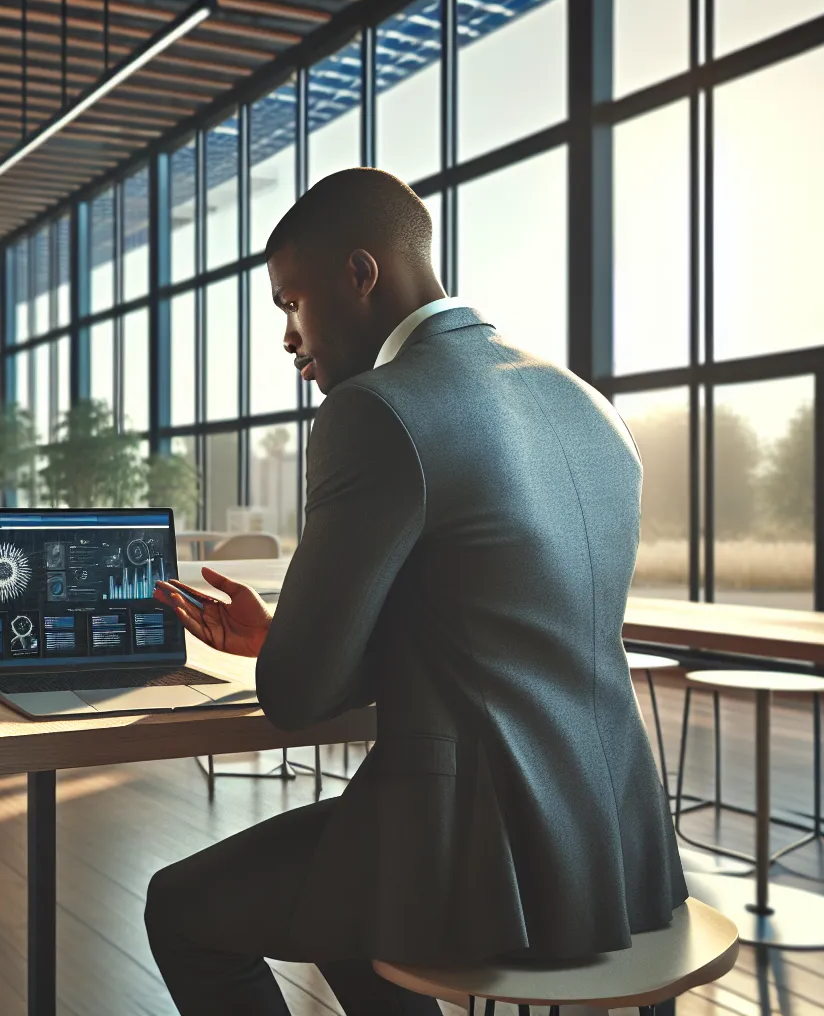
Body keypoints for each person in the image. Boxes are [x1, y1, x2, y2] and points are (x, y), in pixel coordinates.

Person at [147, 167, 685, 1015]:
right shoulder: (588, 404)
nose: (288, 336)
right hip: (621, 842)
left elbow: (297, 696)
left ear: (361, 275)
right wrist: (284, 629)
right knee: (344, 909)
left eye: (290, 301)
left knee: (179, 908)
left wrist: (290, 646)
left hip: (474, 857)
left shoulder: (377, 411)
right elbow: (492, 626)